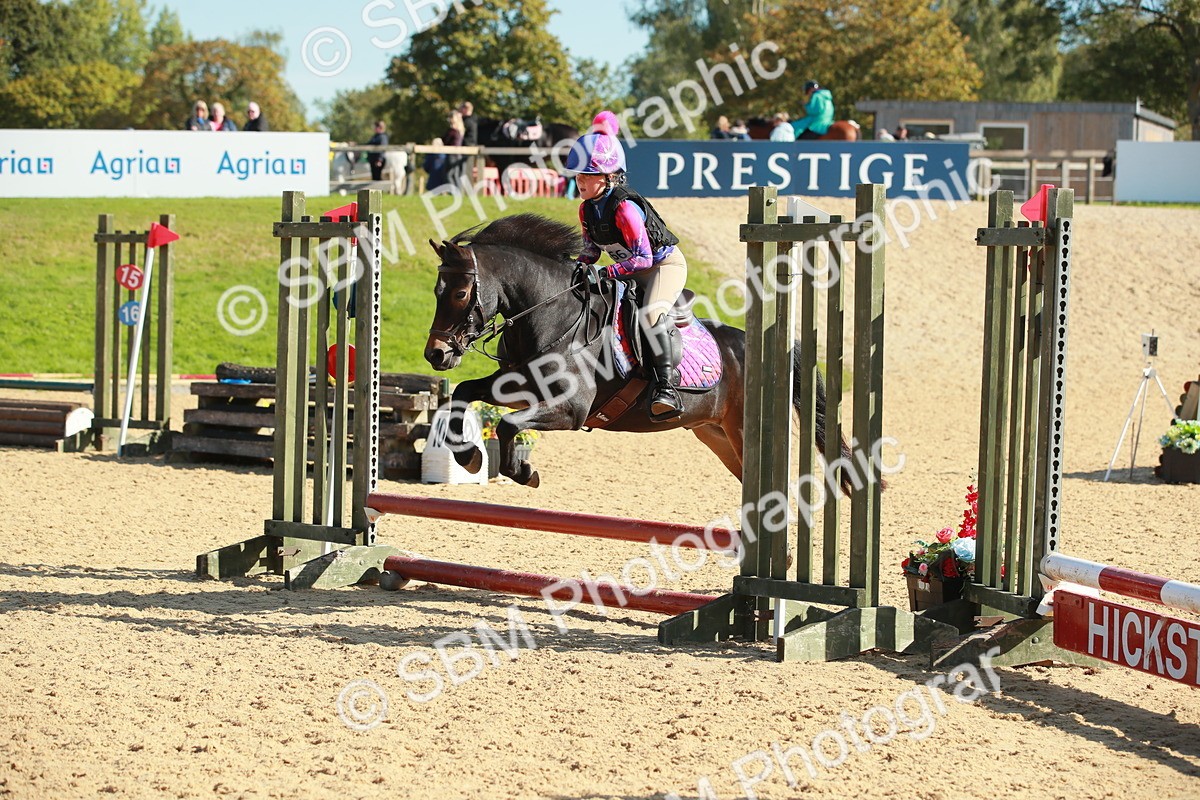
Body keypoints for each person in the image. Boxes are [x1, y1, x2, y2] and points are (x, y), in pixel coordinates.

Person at [568, 110, 688, 422]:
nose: (580, 181)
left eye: (588, 176)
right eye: (579, 175)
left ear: (608, 177)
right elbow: (591, 251)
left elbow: (644, 258)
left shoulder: (625, 208)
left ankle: (667, 388)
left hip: (662, 267)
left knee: (650, 315)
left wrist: (604, 272)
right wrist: (573, 269)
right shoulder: (586, 210)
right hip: (630, 271)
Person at [442, 110, 467, 187]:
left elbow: (445, 141)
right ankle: (457, 193)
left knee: (449, 175)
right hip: (458, 155)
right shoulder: (460, 130)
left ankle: (454, 192)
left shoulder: (453, 131)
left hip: (452, 154)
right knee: (455, 175)